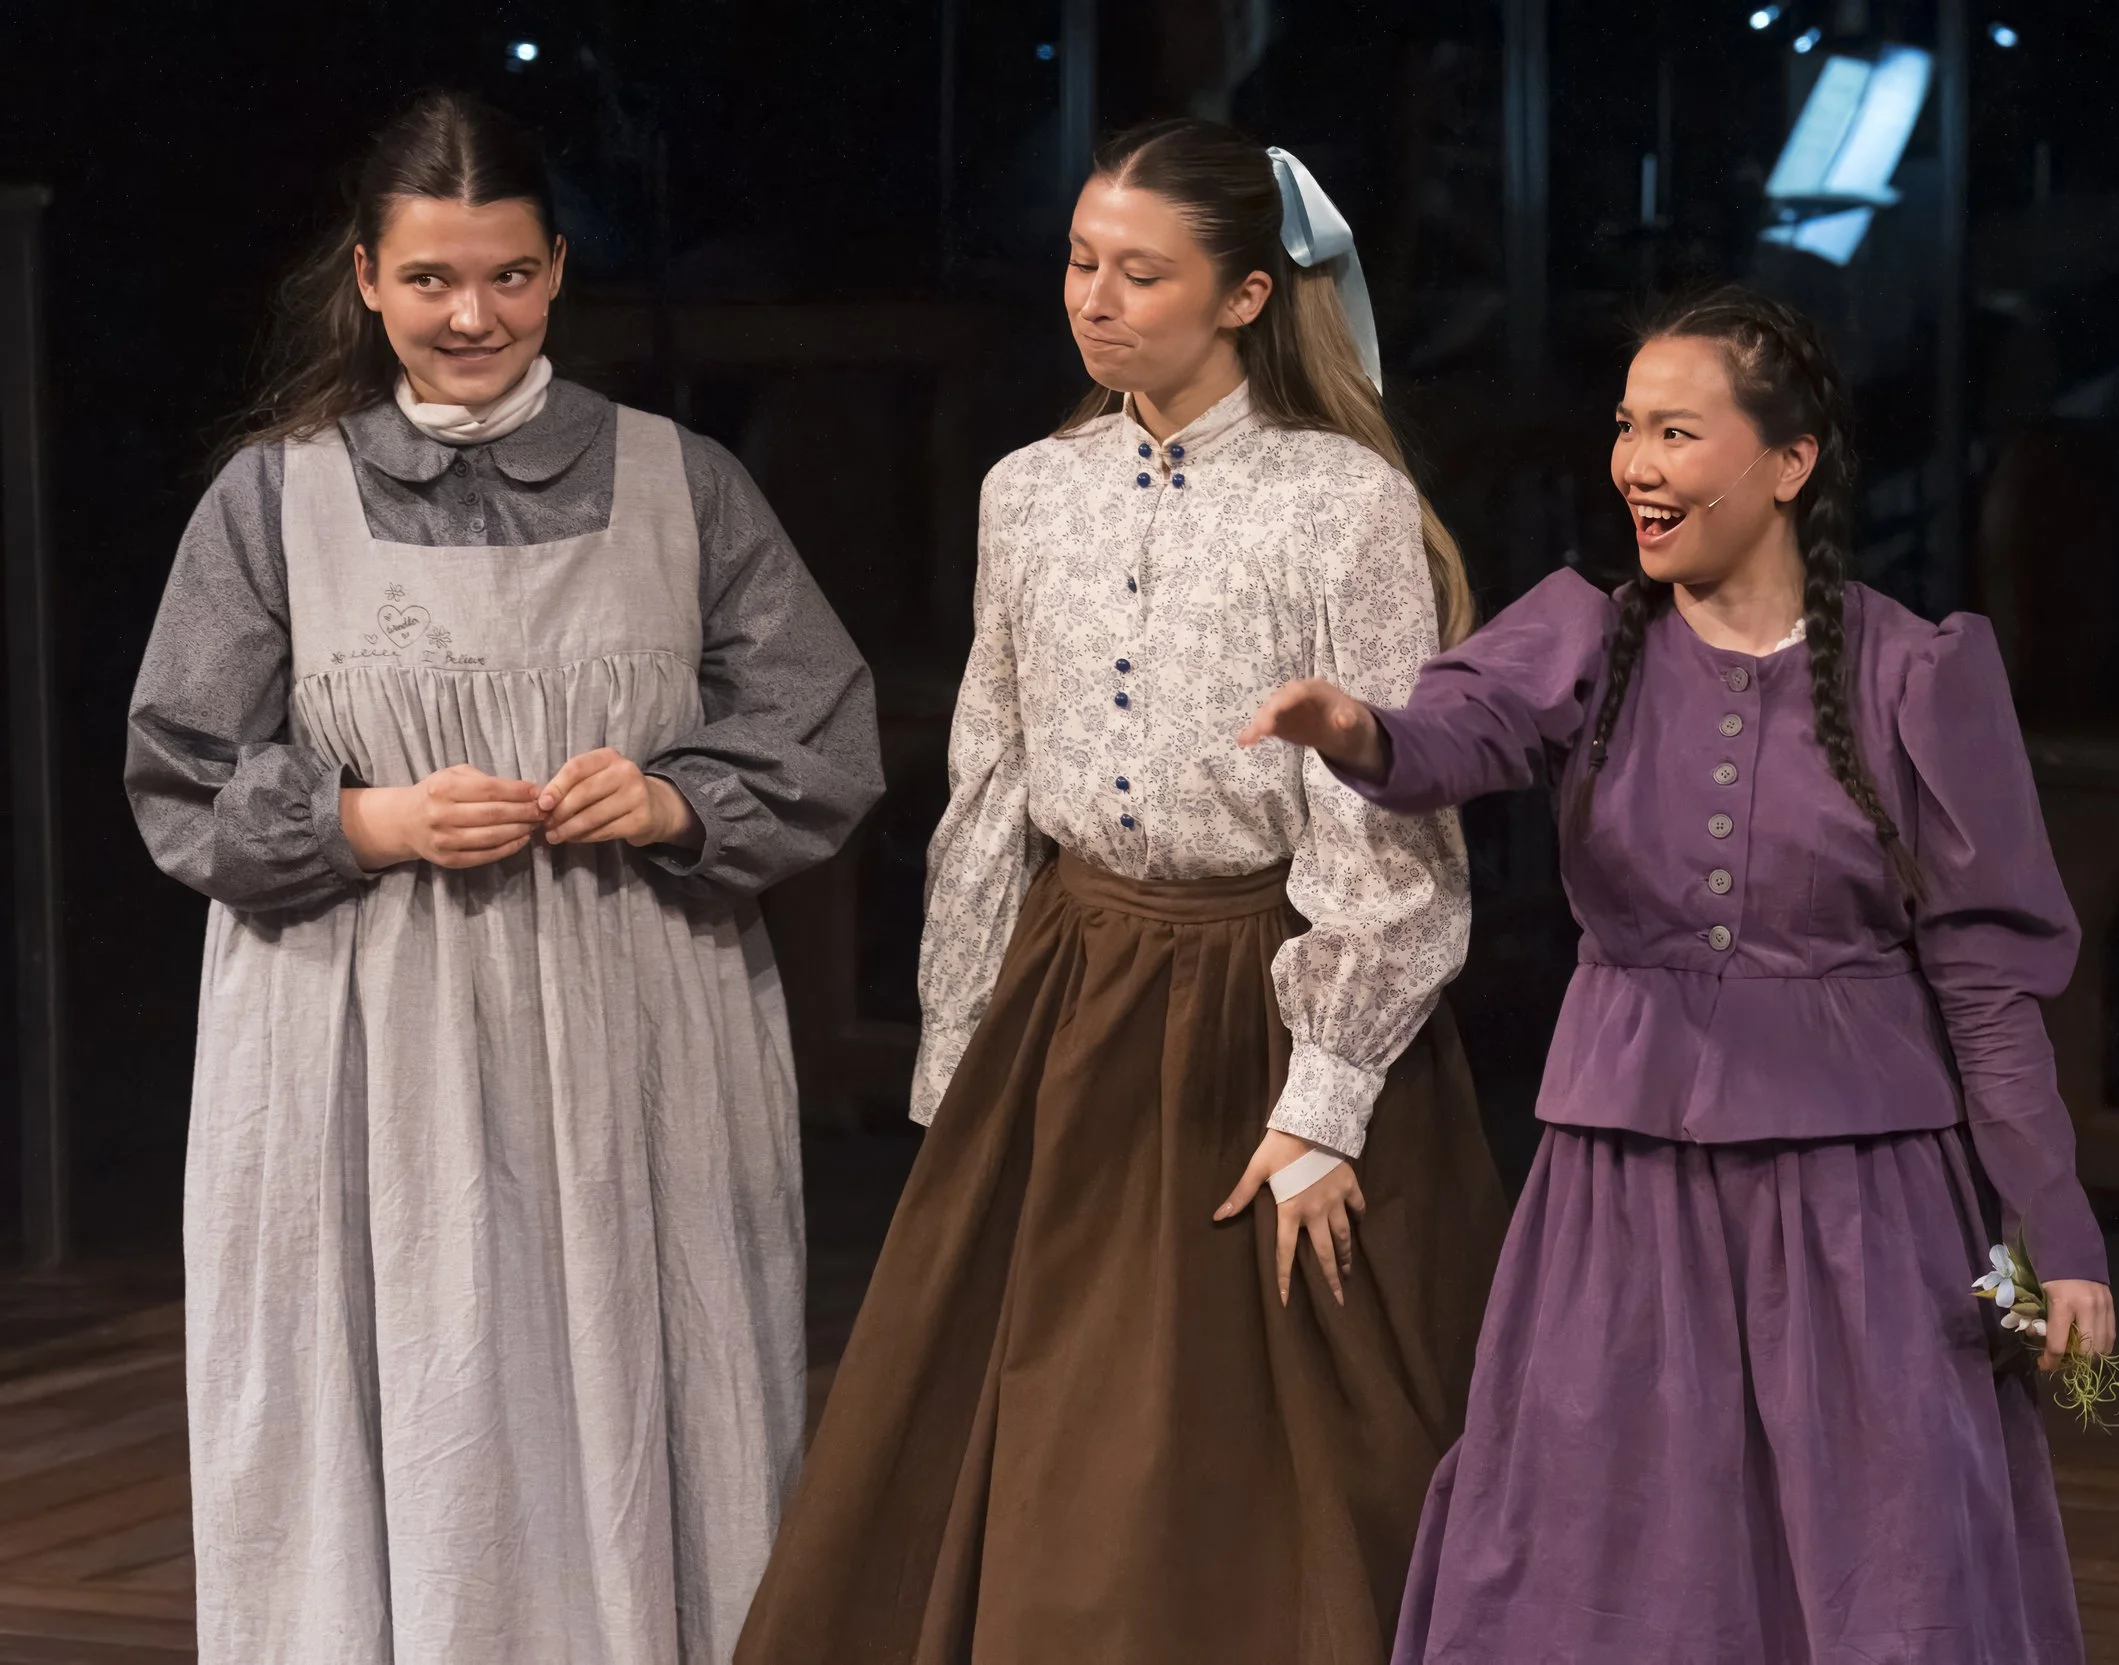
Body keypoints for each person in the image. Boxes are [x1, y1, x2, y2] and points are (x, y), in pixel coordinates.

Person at [1242, 284, 2108, 1664]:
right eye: (1626, 427)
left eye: (1676, 432)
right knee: (1601, 1535)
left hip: (1859, 1196)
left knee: (1880, 1541)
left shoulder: (1916, 674)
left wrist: (2056, 1234)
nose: (1634, 465)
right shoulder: (1587, 637)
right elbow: (1459, 729)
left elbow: (1990, 989)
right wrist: (1360, 731)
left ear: (1790, 461)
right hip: (1626, 1182)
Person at [735, 118, 1506, 1665]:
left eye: (1141, 272)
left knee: (1275, 1441)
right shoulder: (1032, 490)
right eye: (1082, 262)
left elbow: (1391, 827)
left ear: (1245, 295)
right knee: (1039, 1417)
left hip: (1267, 998)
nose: (1094, 298)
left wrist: (1327, 1101)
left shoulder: (1338, 503)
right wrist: (962, 1050)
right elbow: (989, 778)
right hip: (1074, 992)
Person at [125, 90, 882, 1665]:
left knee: (636, 1374)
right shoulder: (277, 497)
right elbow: (179, 771)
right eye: (430, 279)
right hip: (365, 1041)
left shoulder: (682, 482)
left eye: (509, 276)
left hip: (632, 1029)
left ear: (557, 274)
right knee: (408, 1377)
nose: (471, 316)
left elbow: (818, 728)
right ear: (367, 277)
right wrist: (364, 824)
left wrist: (672, 800)